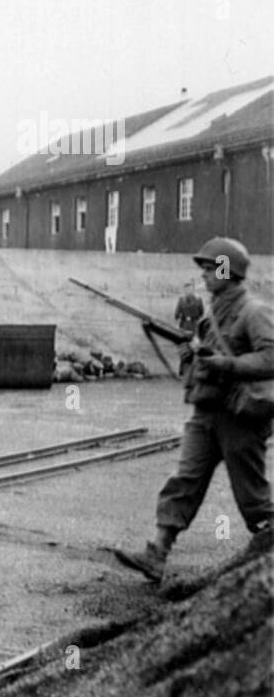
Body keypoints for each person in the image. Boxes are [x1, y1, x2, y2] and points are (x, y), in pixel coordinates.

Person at [115, 237, 273, 583]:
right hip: (206, 414)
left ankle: (268, 558)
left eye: (209, 268)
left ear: (227, 270)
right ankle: (157, 552)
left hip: (239, 417)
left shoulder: (253, 312)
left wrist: (226, 365)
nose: (204, 275)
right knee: (184, 481)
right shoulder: (209, 317)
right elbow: (205, 363)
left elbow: (270, 358)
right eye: (203, 268)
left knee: (253, 495)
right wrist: (191, 360)